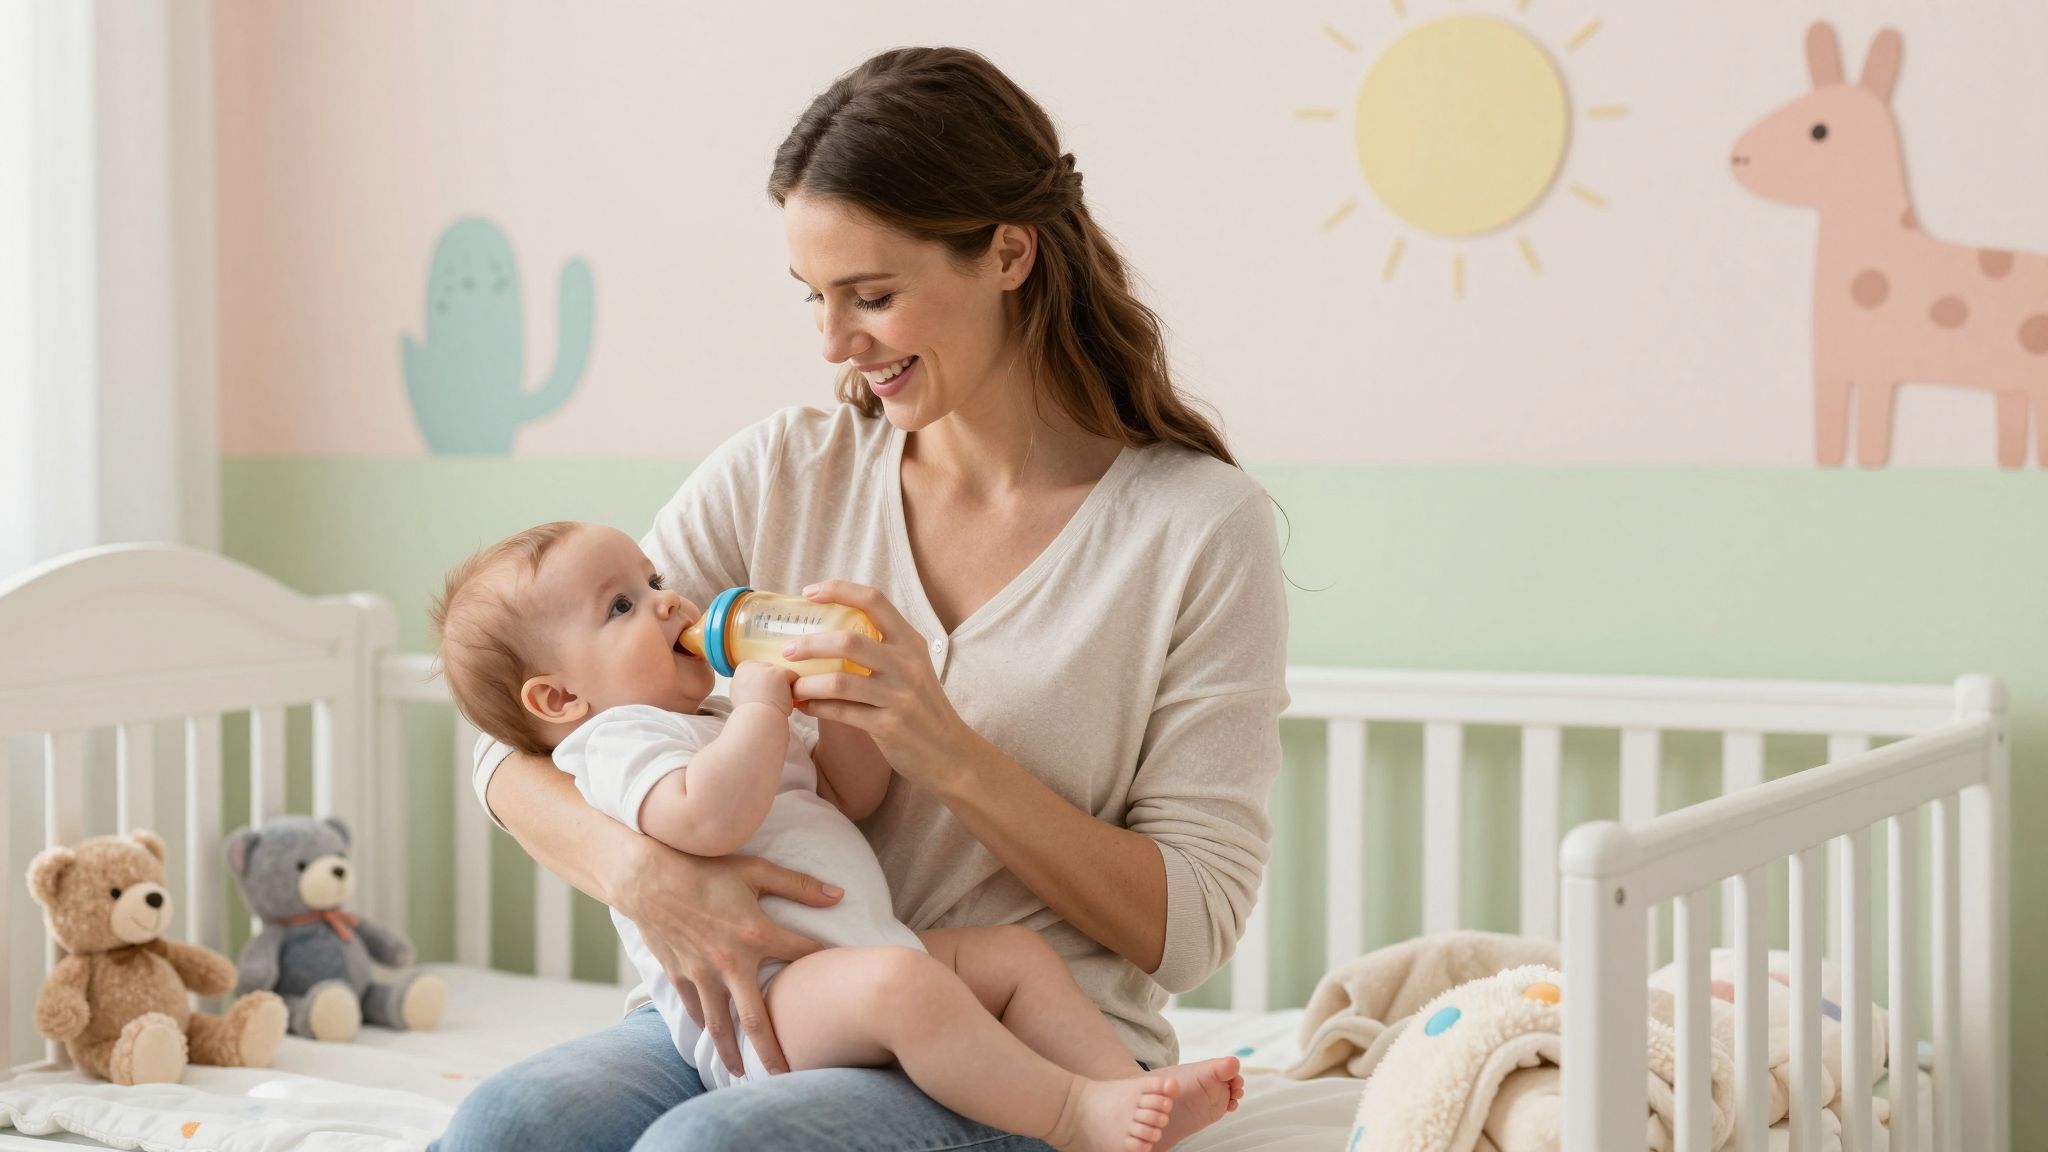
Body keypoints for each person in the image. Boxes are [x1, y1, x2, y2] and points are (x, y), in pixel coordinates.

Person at [433, 45, 1288, 1152]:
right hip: (745, 1009)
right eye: (815, 299)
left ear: (1008, 254)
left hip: (1010, 1040)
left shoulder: (1194, 531)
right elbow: (516, 738)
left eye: (872, 297)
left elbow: (1190, 928)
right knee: (504, 1126)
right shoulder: (780, 471)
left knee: (714, 1148)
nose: (835, 345)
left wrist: (943, 749)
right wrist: (644, 875)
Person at [430, 521, 1243, 1152]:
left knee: (1015, 959)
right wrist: (760, 707)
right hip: (774, 999)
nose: (668, 603)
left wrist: (845, 711)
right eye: (622, 606)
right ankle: (1072, 1114)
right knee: (504, 1124)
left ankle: (1132, 1101)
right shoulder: (617, 742)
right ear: (559, 699)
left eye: (654, 581)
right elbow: (705, 820)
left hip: (855, 955)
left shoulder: (707, 716)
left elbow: (848, 796)